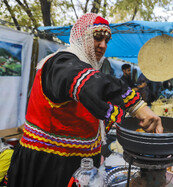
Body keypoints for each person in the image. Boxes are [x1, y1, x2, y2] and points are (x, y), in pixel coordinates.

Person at [7, 13, 163, 187]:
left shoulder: (87, 68)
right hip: (50, 167)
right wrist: (135, 104)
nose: (103, 45)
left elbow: (95, 91)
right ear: (81, 38)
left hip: (80, 165)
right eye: (97, 38)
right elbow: (86, 81)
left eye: (106, 41)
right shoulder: (60, 63)